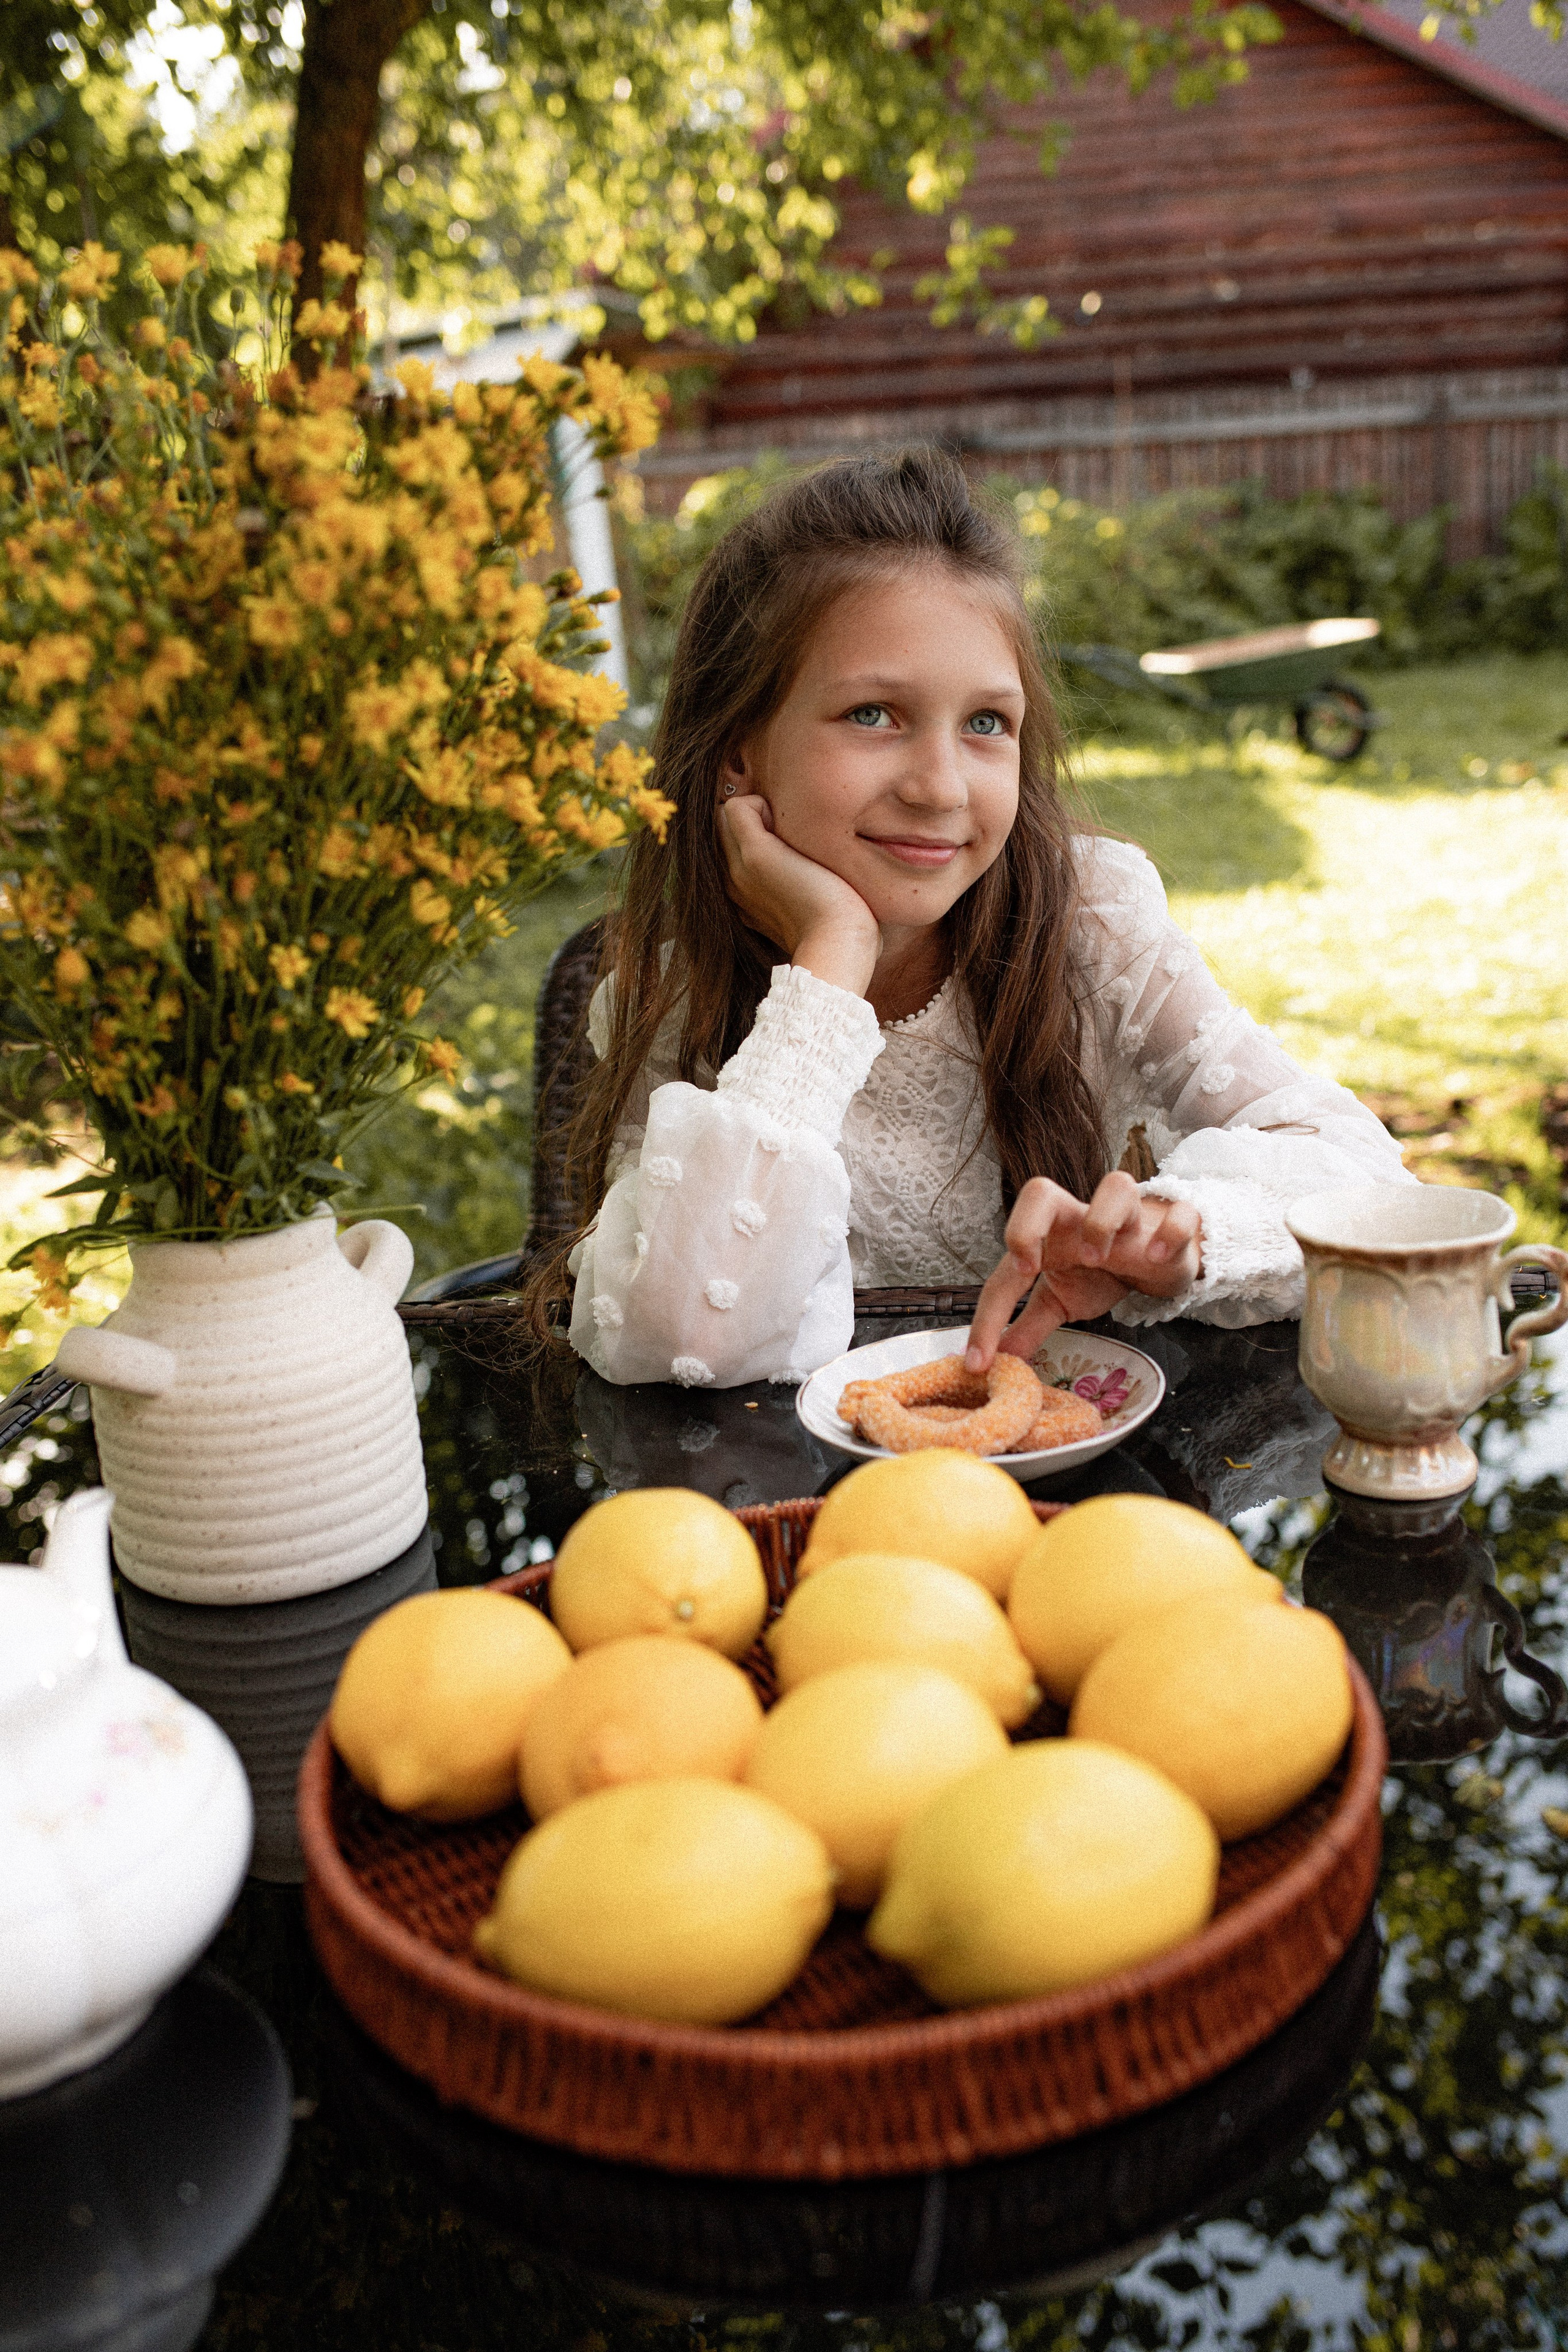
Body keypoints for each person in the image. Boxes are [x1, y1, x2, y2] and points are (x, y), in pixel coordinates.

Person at [545, 447, 1412, 1390]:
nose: (941, 787)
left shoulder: (1092, 924)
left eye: (986, 722)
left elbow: (1365, 1177)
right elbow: (681, 1342)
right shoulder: (673, 1002)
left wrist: (1182, 1232)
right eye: (873, 714)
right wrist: (830, 962)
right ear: (739, 754)